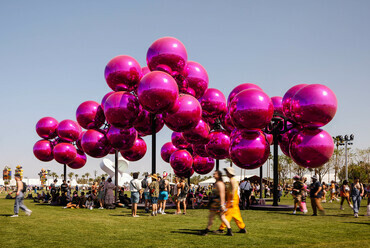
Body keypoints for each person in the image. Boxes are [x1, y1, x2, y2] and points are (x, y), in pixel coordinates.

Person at [200, 170, 233, 236]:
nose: (214, 175)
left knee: (212, 217)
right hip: (217, 203)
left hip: (216, 203)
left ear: (218, 175)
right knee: (222, 217)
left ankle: (206, 231)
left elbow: (222, 194)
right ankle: (229, 230)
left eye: (215, 174)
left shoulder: (219, 183)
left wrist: (222, 204)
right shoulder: (218, 183)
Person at [216, 167, 246, 234]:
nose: (226, 173)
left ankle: (222, 228)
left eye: (227, 172)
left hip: (232, 199)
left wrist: (231, 201)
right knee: (236, 215)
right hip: (233, 200)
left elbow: (233, 191)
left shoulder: (232, 180)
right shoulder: (232, 180)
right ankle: (242, 228)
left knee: (227, 215)